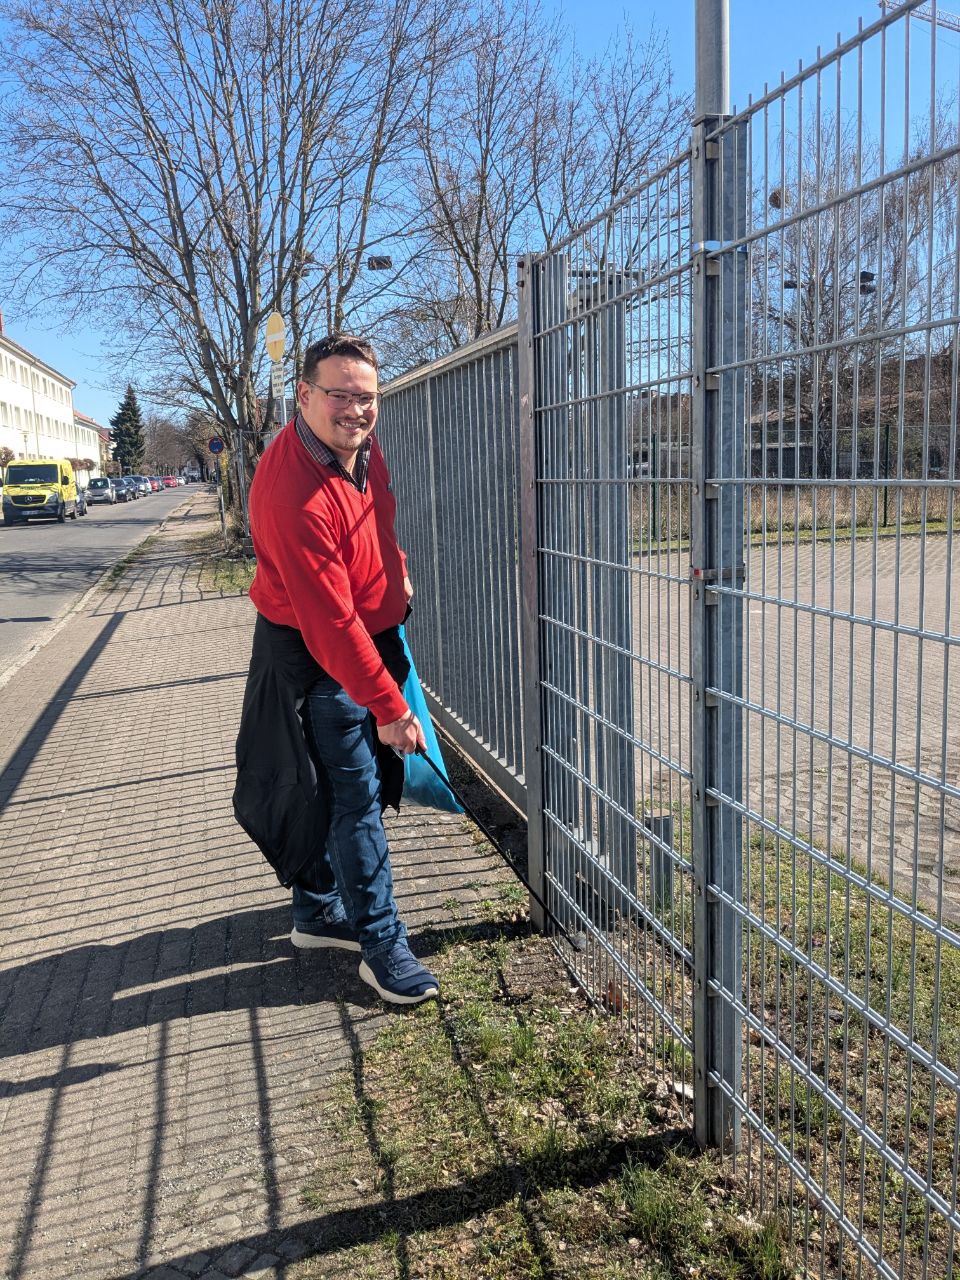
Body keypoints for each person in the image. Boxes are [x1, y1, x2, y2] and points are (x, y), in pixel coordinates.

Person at [241, 332, 439, 1005]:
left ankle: (316, 911)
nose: (357, 410)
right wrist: (390, 709)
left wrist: (397, 570)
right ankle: (382, 946)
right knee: (354, 798)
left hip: (364, 631)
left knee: (333, 787)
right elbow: (330, 625)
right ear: (304, 396)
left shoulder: (360, 449)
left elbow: (379, 517)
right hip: (315, 651)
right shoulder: (291, 492)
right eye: (340, 396)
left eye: (367, 397)